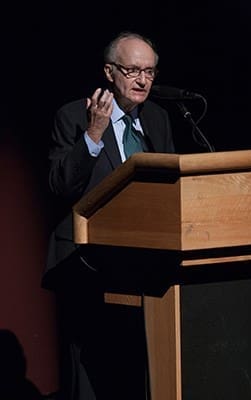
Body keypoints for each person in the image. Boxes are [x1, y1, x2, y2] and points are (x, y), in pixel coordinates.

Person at [42, 31, 177, 400]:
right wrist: (94, 134)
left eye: (149, 71)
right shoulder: (73, 116)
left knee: (136, 371)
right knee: (92, 376)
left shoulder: (158, 119)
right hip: (87, 265)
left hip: (143, 266)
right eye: (132, 69)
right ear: (109, 72)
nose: (143, 80)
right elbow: (61, 186)